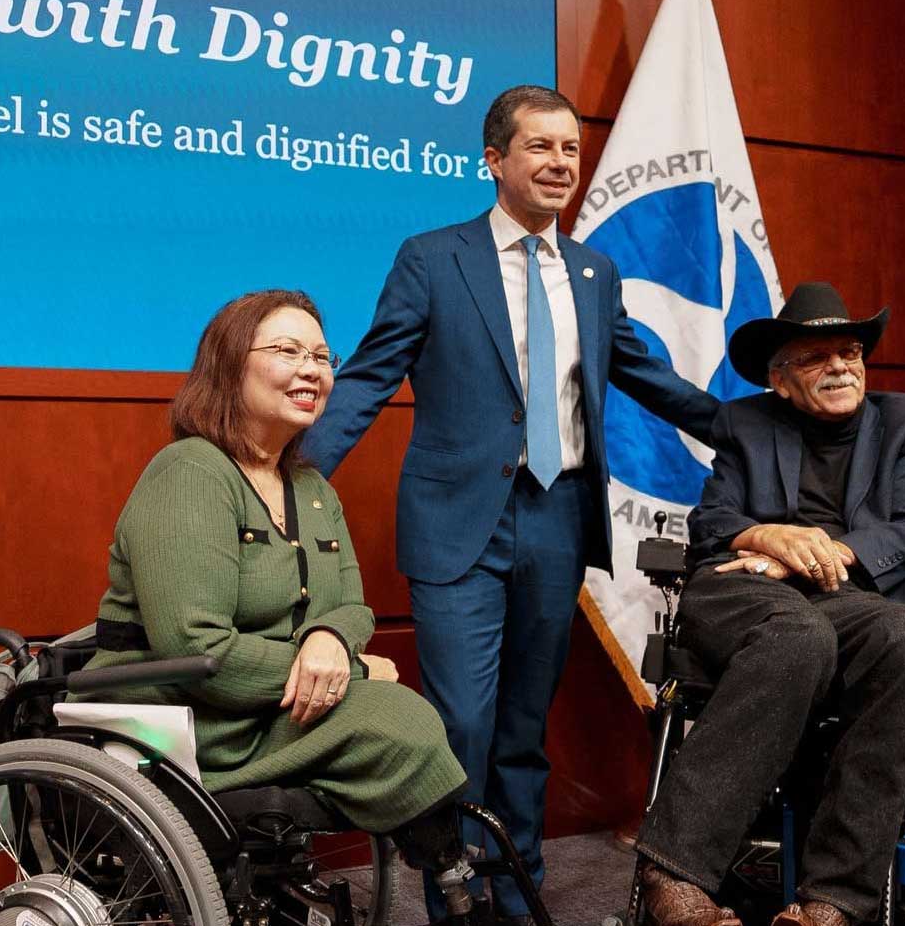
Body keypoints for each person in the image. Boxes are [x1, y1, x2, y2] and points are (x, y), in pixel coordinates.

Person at [302, 85, 719, 921]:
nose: (561, 162)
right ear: (494, 160)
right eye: (540, 147)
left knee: (526, 726)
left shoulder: (596, 274)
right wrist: (283, 475)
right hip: (459, 527)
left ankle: (514, 884)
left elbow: (646, 375)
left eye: (570, 148)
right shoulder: (432, 258)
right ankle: (454, 891)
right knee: (461, 723)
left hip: (558, 519)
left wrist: (754, 426)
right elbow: (371, 377)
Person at [84, 289, 476, 909]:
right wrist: (345, 670)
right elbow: (194, 645)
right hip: (184, 714)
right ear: (230, 365)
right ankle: (454, 879)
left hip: (267, 704)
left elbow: (353, 606)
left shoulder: (312, 487)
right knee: (395, 720)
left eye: (322, 356)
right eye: (288, 351)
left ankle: (455, 875)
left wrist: (332, 641)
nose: (312, 369)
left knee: (400, 715)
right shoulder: (191, 473)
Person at [633, 282, 905, 926]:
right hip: (741, 591)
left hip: (848, 595)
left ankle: (833, 901)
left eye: (850, 351)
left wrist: (805, 553)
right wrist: (764, 536)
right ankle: (674, 875)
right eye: (817, 357)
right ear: (780, 380)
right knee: (796, 633)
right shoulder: (746, 423)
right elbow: (714, 522)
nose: (840, 365)